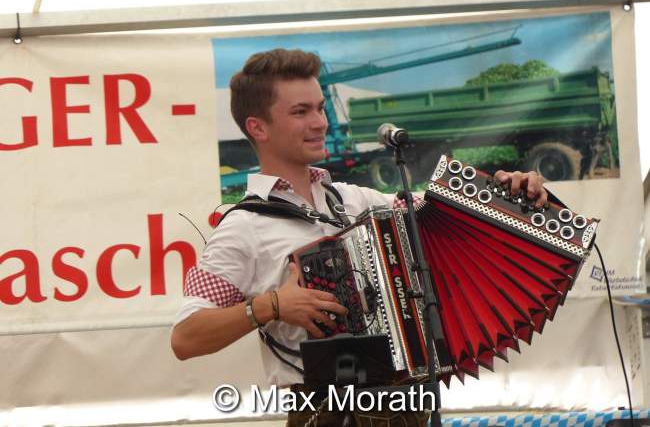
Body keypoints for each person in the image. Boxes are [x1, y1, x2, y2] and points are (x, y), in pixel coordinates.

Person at [170, 48, 548, 426]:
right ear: (258, 128)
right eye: (300, 112)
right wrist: (271, 305)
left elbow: (442, 213)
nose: (320, 122)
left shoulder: (356, 199)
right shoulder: (243, 226)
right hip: (324, 413)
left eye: (320, 108)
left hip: (405, 407)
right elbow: (186, 337)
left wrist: (508, 191)